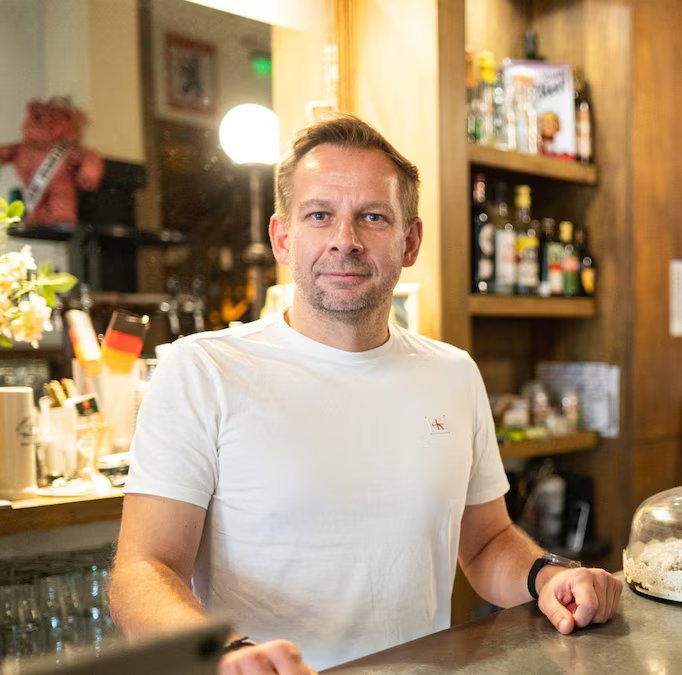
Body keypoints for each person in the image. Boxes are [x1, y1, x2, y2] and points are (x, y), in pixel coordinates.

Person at [109, 114, 622, 673]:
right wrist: (227, 655)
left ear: (410, 241)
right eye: (320, 215)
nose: (345, 240)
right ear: (283, 238)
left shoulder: (452, 373)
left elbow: (486, 542)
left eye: (372, 217)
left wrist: (547, 576)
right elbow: (143, 572)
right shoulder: (202, 370)